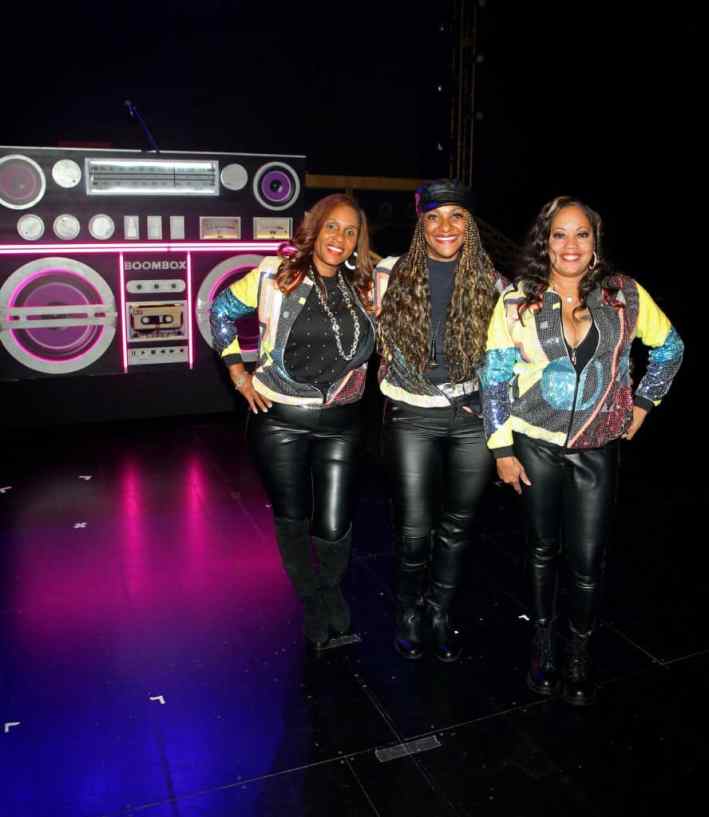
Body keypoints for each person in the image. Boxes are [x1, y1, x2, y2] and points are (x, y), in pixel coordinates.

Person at [481, 195, 684, 705]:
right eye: (559, 234)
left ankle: (578, 650)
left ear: (595, 244)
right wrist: (502, 448)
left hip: (598, 449)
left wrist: (641, 405)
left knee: (588, 559)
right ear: (544, 244)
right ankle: (543, 645)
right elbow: (495, 377)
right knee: (543, 550)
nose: (570, 245)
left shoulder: (625, 296)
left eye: (581, 234)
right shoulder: (517, 301)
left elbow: (671, 346)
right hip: (535, 446)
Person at [209, 193, 376, 649]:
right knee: (293, 517)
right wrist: (238, 373)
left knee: (335, 522)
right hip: (279, 420)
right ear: (315, 229)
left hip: (342, 421)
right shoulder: (273, 273)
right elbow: (221, 310)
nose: (339, 238)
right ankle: (314, 603)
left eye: (350, 231)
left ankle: (329, 589)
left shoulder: (367, 285)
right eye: (332, 227)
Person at [376, 179, 507, 662]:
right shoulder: (391, 274)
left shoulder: (492, 283)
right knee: (414, 527)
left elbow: (507, 357)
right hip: (412, 413)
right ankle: (408, 610)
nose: (444, 226)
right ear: (420, 224)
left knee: (458, 524)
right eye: (433, 217)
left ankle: (438, 610)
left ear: (470, 224)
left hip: (472, 416)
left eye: (456, 216)